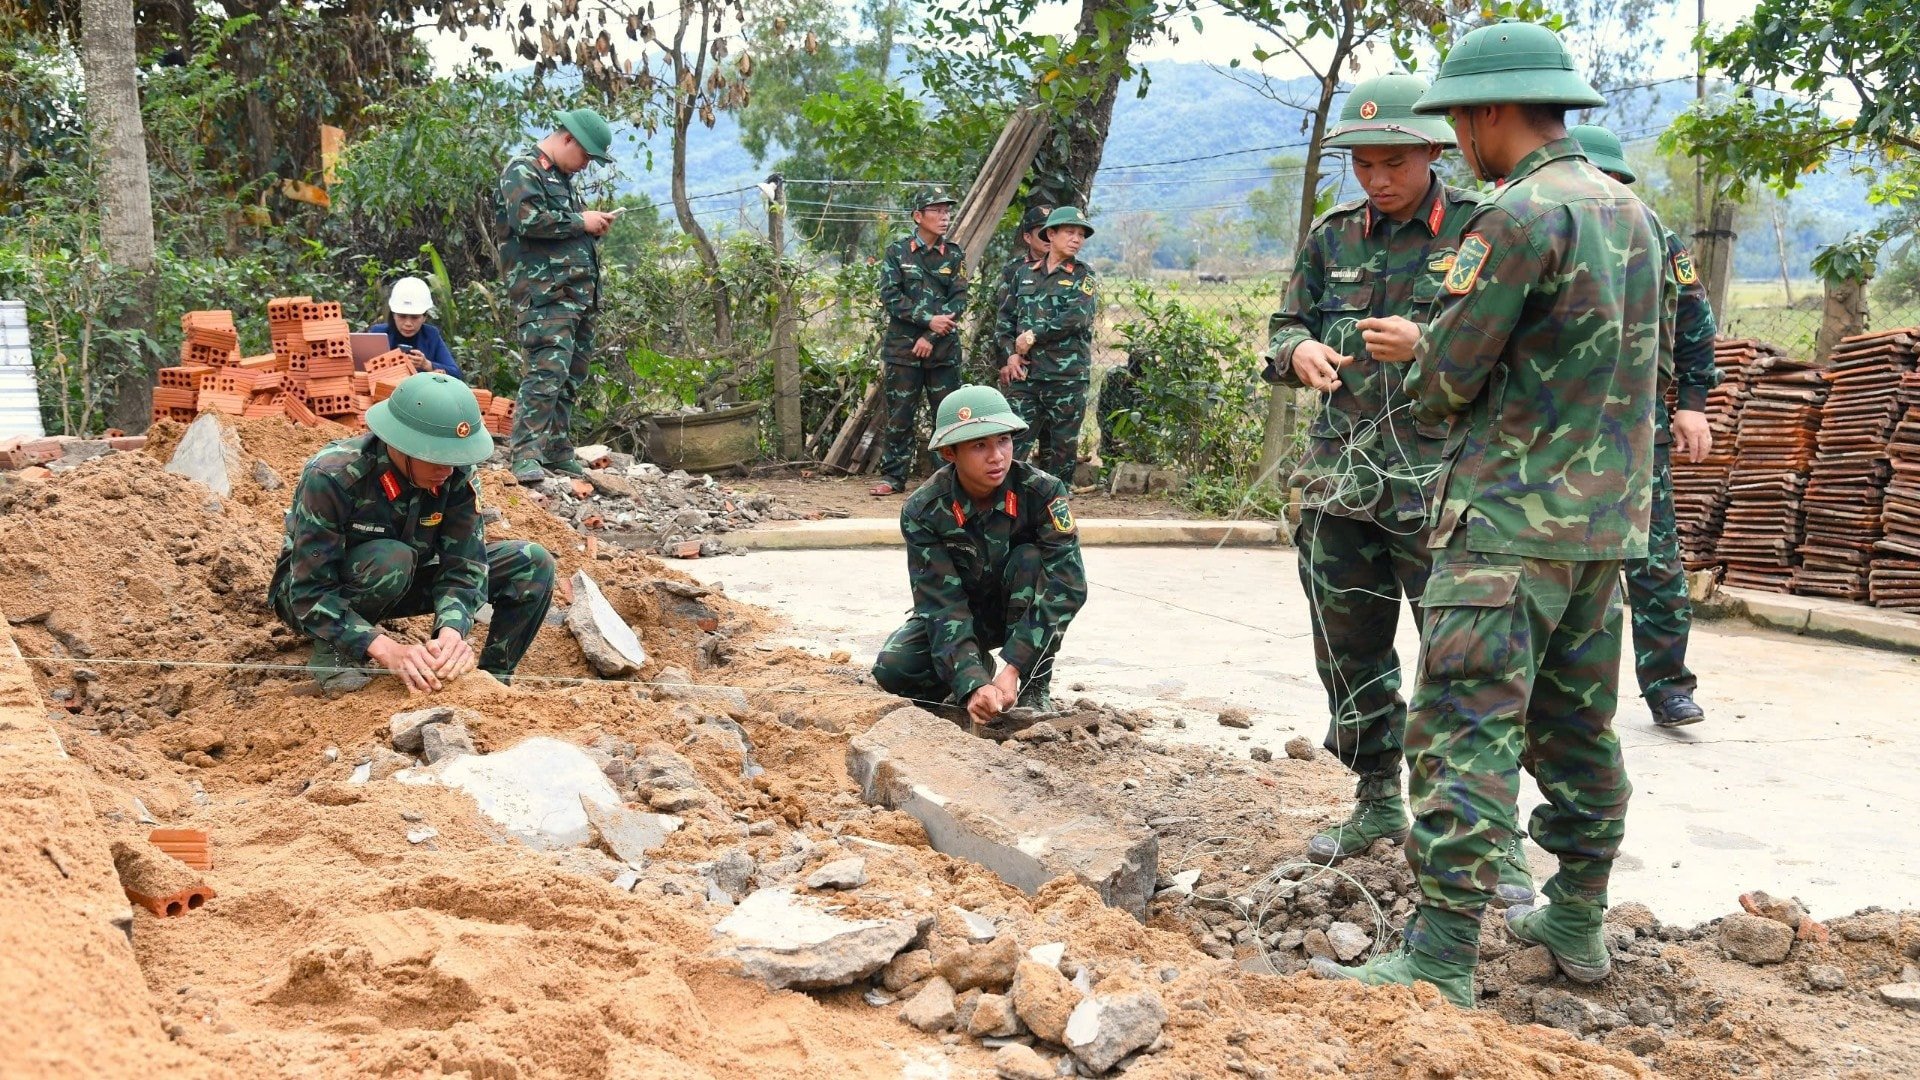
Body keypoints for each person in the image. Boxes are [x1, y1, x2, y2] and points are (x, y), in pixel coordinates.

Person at [1314, 21, 1668, 1008]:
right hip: (1604, 534)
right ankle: (1577, 914)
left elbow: (1446, 383)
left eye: (1456, 121)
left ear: (1483, 114)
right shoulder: (1630, 214)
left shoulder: (1514, 217)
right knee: (1580, 730)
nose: (1458, 139)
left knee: (1464, 733)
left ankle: (1437, 959)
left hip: (1507, 527)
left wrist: (1413, 353)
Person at [1264, 74, 1529, 901]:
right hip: (1341, 484)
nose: (1377, 180)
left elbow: (1518, 351)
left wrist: (1431, 344)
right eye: (1364, 165)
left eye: (1393, 163)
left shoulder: (1484, 236)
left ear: (1433, 152)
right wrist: (1296, 353)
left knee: (1465, 668)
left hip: (1445, 487)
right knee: (1350, 651)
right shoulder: (1332, 239)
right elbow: (1285, 326)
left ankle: (1491, 833)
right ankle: (1377, 796)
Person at [270, 372, 557, 695]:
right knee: (392, 558)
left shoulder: (454, 473)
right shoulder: (333, 476)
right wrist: (387, 649)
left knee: (532, 562)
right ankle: (336, 652)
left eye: (455, 458)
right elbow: (309, 591)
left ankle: (493, 678)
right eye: (437, 457)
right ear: (400, 444)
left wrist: (451, 632)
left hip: (403, 580)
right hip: (313, 598)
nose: (447, 471)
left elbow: (464, 567)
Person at [1569, 123, 1720, 728]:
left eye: (1612, 180)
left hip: (1636, 427)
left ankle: (1668, 686)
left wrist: (1693, 402)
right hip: (1551, 428)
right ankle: (1559, 687)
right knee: (1555, 562)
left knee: (1654, 558)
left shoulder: (1657, 235)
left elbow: (1694, 322)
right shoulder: (1540, 228)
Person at [871, 385, 1087, 720]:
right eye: (979, 445)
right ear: (949, 453)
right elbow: (940, 603)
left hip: (1019, 610)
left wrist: (1013, 668)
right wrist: (971, 681)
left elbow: (1067, 585)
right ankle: (978, 675)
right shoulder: (924, 510)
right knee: (893, 669)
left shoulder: (1042, 492)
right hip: (964, 612)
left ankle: (1033, 685)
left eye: (1003, 440)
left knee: (1030, 559)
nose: (997, 456)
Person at [498, 107, 617, 485]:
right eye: (585, 155)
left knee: (571, 374)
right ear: (568, 139)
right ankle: (526, 454)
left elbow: (558, 231)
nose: (585, 165)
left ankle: (557, 448)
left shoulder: (561, 178)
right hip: (545, 295)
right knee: (546, 372)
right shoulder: (523, 169)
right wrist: (581, 221)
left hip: (575, 295)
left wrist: (588, 228)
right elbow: (528, 219)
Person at [872, 185, 969, 497]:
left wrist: (930, 334)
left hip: (943, 353)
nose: (944, 217)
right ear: (918, 216)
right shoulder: (896, 253)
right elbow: (890, 297)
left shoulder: (954, 255)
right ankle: (893, 477)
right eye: (936, 211)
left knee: (950, 415)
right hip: (903, 351)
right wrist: (927, 320)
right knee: (900, 415)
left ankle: (955, 479)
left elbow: (959, 300)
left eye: (946, 210)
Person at [1005, 206, 1098, 480]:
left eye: (1081, 234)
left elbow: (1076, 317)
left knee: (1062, 450)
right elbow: (1006, 318)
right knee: (1013, 442)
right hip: (1027, 377)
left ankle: (1057, 510)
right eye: (1070, 232)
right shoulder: (1024, 274)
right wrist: (1010, 354)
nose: (1076, 239)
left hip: (1066, 378)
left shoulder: (1083, 276)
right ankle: (1005, 503)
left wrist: (1033, 335)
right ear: (1052, 234)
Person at [989, 203, 1052, 382]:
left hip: (1057, 364)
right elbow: (1004, 318)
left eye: (1052, 230)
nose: (1048, 237)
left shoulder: (1072, 271)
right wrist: (1006, 359)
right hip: (1020, 362)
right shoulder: (1015, 270)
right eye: (1042, 232)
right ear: (1027, 237)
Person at [367, 276, 462, 378]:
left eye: (415, 317)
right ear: (394, 315)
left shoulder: (431, 335)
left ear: (424, 317)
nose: (408, 323)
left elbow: (456, 373)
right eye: (402, 316)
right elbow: (360, 367)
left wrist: (427, 365)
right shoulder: (379, 334)